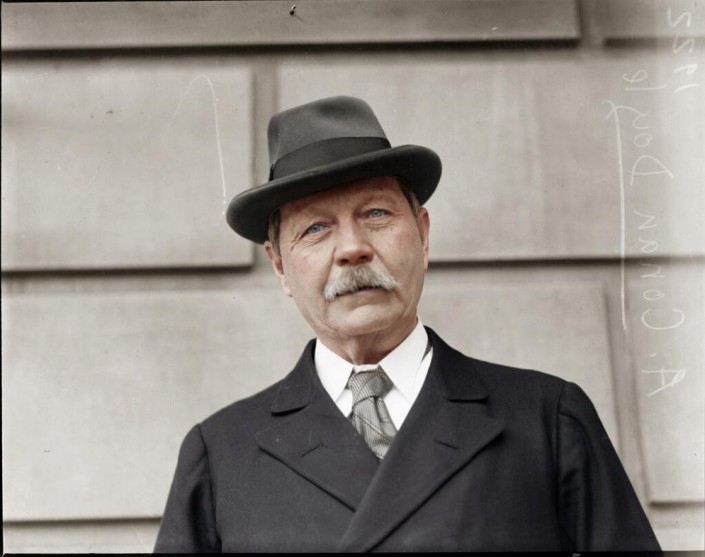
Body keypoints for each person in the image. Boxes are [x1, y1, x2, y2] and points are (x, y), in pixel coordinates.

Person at [154, 96, 661, 552]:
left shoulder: (546, 420)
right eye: (316, 228)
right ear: (281, 266)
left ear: (422, 234)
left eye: (376, 213)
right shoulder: (221, 454)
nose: (352, 248)